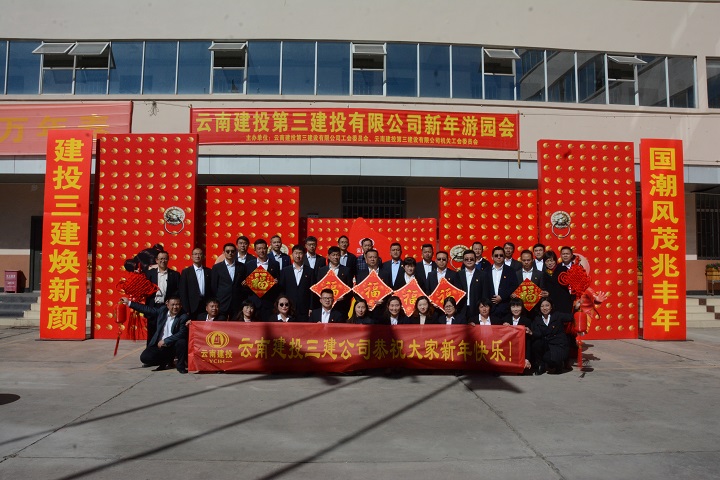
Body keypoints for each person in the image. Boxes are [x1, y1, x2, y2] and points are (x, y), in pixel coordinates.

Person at [121, 295, 189, 374]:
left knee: (181, 342)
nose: (175, 307)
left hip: (173, 345)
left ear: (181, 305)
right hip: (160, 346)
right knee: (145, 358)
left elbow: (181, 333)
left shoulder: (183, 316)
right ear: (167, 305)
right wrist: (129, 303)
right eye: (172, 305)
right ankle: (166, 360)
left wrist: (166, 340)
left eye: (177, 305)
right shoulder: (162, 311)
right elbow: (147, 309)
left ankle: (180, 366)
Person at [145, 250, 180, 346]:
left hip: (167, 308)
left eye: (165, 259)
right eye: (160, 259)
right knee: (152, 332)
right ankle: (150, 352)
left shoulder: (175, 275)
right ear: (156, 260)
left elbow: (178, 292)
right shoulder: (149, 274)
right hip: (153, 307)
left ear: (168, 260)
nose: (163, 261)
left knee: (166, 332)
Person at [531, 298, 573, 375]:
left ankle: (559, 365)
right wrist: (531, 332)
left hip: (559, 345)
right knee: (536, 343)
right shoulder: (537, 319)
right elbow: (538, 334)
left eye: (547, 305)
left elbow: (571, 317)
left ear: (551, 307)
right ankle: (541, 366)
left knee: (551, 359)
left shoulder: (557, 315)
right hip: (547, 344)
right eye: (542, 306)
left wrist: (576, 308)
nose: (544, 308)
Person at [245, 238, 281, 320]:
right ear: (255, 250)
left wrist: (276, 283)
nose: (262, 251)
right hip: (253, 304)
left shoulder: (275, 264)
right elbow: (245, 284)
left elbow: (279, 283)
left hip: (269, 303)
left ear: (267, 249)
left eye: (264, 248)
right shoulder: (249, 265)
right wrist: (245, 284)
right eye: (259, 249)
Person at [278, 244, 314, 322]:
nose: (298, 256)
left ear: (304, 255)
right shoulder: (285, 271)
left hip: (304, 308)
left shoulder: (310, 271)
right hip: (288, 308)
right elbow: (282, 290)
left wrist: (311, 307)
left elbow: (312, 291)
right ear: (292, 254)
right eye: (296, 253)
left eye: (300, 253)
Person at [210, 242, 248, 319]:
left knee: (235, 324)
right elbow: (214, 286)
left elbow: (243, 284)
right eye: (227, 251)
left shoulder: (242, 267)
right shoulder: (217, 267)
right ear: (223, 252)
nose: (230, 253)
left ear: (235, 252)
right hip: (222, 302)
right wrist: (216, 301)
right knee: (220, 324)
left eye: (232, 251)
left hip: (236, 303)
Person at [484, 246, 520, 320]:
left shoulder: (510, 270)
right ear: (492, 257)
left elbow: (514, 286)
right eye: (496, 255)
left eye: (501, 255)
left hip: (506, 307)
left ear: (504, 257)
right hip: (490, 307)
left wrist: (502, 297)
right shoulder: (486, 271)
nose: (499, 257)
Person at [317, 245, 353, 318]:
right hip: (326, 305)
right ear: (328, 256)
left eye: (338, 255)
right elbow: (318, 287)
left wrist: (344, 297)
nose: (336, 257)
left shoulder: (346, 270)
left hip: (341, 306)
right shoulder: (322, 270)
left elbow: (350, 288)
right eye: (333, 255)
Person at [498, 298, 533, 371]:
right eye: (513, 307)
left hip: (521, 350)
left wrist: (527, 359)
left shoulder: (527, 321)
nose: (516, 309)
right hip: (508, 350)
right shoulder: (505, 320)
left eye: (518, 306)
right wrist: (503, 328)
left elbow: (528, 342)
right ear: (510, 308)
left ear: (522, 307)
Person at [178, 247, 212, 319]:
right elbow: (183, 292)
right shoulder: (186, 272)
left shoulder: (209, 271)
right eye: (195, 254)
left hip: (205, 305)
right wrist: (186, 308)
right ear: (191, 257)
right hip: (191, 306)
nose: (197, 256)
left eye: (200, 254)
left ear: (203, 256)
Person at [514, 249, 546, 317]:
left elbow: (542, 289)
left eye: (528, 260)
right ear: (521, 260)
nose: (526, 262)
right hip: (520, 310)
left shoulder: (539, 274)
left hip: (536, 310)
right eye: (524, 260)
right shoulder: (516, 274)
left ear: (532, 260)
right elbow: (513, 289)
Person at [456, 249, 484, 317]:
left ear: (475, 260)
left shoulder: (482, 275)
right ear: (463, 261)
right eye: (466, 259)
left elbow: (484, 294)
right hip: (461, 309)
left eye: (471, 259)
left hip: (477, 310)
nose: (469, 261)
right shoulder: (458, 275)